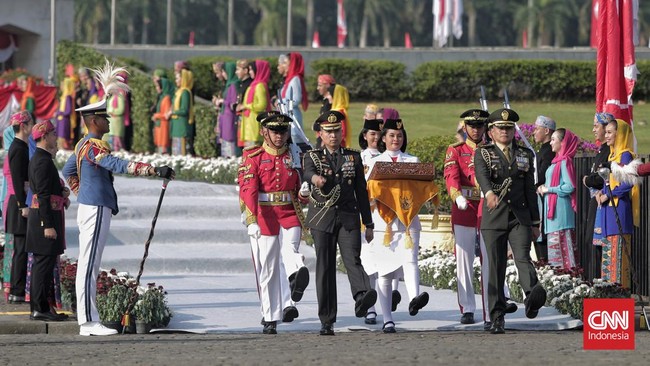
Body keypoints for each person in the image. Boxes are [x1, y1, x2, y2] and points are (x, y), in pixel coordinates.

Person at [62, 61, 175, 336]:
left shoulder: (82, 145)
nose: (109, 120)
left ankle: (88, 321)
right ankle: (88, 323)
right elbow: (116, 165)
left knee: (89, 264)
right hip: (95, 207)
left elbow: (67, 171)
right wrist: (152, 169)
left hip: (92, 203)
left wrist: (81, 190)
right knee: (89, 266)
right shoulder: (92, 147)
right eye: (104, 117)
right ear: (93, 121)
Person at [303, 111, 377, 336]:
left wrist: (369, 222)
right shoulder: (312, 156)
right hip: (321, 218)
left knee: (353, 258)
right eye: (328, 132)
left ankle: (363, 297)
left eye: (336, 131)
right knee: (325, 268)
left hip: (348, 217)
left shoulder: (353, 157)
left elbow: (361, 193)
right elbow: (308, 173)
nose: (333, 135)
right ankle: (327, 320)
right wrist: (316, 179)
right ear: (320, 134)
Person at [474, 108, 547, 334]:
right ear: (491, 131)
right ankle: (497, 316)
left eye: (508, 128)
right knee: (496, 267)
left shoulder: (525, 154)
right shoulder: (483, 153)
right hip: (494, 217)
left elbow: (529, 190)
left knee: (523, 257)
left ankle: (532, 295)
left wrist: (535, 222)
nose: (504, 131)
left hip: (520, 216)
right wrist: (488, 193)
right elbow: (482, 176)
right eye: (500, 128)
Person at [238, 112, 310, 334]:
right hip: (265, 213)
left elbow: (299, 188)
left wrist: (305, 193)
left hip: (289, 211)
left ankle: (296, 276)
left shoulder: (295, 154)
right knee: (268, 267)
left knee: (291, 248)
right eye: (275, 131)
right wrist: (251, 220)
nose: (280, 136)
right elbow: (248, 189)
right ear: (264, 132)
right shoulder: (254, 156)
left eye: (283, 131)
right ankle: (270, 317)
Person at [365, 118, 434, 333]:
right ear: (383, 138)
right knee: (385, 274)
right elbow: (368, 191)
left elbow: (423, 186)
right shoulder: (374, 162)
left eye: (400, 136)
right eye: (392, 135)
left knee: (410, 260)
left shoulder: (413, 160)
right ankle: (387, 319)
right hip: (383, 224)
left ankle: (414, 298)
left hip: (407, 221)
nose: (396, 139)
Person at [444, 109, 490, 326]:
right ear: (465, 127)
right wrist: (457, 196)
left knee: (489, 259)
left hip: (488, 207)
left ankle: (490, 307)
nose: (475, 129)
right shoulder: (456, 150)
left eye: (480, 126)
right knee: (464, 260)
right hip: (465, 207)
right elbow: (451, 176)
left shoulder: (491, 149)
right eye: (472, 126)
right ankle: (468, 307)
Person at [25, 120, 69, 321]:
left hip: (45, 218)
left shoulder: (43, 159)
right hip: (44, 222)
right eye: (52, 134)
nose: (54, 137)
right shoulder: (42, 161)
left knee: (42, 265)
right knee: (42, 266)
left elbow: (48, 189)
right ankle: (40, 308)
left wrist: (61, 191)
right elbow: (42, 195)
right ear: (43, 137)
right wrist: (48, 225)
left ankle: (41, 307)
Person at [594, 119, 639, 288]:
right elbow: (609, 183)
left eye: (610, 132)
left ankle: (620, 295)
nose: (607, 136)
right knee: (609, 256)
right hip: (609, 211)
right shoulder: (612, 155)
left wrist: (609, 195)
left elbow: (628, 182)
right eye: (606, 132)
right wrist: (602, 193)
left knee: (618, 258)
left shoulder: (625, 155)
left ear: (620, 134)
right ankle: (609, 294)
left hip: (618, 210)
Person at [537, 128, 579, 269]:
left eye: (554, 139)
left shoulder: (565, 162)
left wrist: (549, 189)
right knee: (556, 257)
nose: (551, 143)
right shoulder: (556, 162)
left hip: (561, 217)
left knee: (565, 255)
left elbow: (569, 187)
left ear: (563, 142)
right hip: (553, 217)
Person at [6, 111, 35, 304]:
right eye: (32, 123)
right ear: (24, 125)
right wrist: (22, 205)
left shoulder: (21, 146)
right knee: (20, 248)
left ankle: (19, 288)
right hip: (18, 203)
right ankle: (17, 290)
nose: (33, 127)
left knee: (23, 248)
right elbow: (17, 179)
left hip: (20, 201)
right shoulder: (18, 148)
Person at [582, 113, 614, 279]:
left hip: (604, 204)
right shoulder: (602, 150)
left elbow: (600, 177)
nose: (594, 129)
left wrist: (588, 180)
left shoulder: (609, 151)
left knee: (599, 246)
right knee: (591, 243)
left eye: (597, 126)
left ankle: (599, 284)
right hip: (595, 202)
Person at [532, 116, 556, 262]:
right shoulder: (543, 150)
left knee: (543, 240)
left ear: (546, 130)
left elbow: (540, 176)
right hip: (539, 198)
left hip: (544, 200)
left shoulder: (548, 152)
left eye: (537, 129)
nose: (534, 132)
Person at [237, 60, 271, 147]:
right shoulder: (254, 85)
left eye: (252, 69)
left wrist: (246, 106)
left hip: (254, 124)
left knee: (253, 150)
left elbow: (262, 105)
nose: (250, 72)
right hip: (249, 122)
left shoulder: (259, 86)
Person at [316, 75, 351, 147]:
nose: (328, 97)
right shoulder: (327, 104)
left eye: (330, 94)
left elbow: (343, 132)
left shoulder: (339, 111)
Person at [278, 53, 309, 130]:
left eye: (285, 63)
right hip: (286, 117)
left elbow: (296, 99)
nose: (283, 65)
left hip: (293, 119)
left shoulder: (295, 79)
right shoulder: (289, 80)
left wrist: (279, 101)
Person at [167, 69, 193, 155]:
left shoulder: (185, 92)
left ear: (183, 79)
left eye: (178, 78)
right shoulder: (178, 92)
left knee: (182, 154)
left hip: (182, 127)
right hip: (176, 127)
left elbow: (184, 110)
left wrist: (172, 112)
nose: (176, 80)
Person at [217, 62, 239, 158]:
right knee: (224, 143)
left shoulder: (233, 85)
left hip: (229, 118)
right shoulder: (228, 85)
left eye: (224, 71)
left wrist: (223, 101)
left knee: (229, 143)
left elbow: (233, 103)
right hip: (225, 117)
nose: (223, 74)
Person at [105, 71, 130, 152]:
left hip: (117, 121)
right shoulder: (114, 95)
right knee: (112, 138)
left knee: (117, 139)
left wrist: (112, 111)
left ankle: (118, 152)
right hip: (112, 121)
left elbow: (121, 109)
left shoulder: (121, 95)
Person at [152, 75, 174, 154]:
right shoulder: (162, 98)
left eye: (158, 86)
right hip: (160, 126)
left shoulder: (166, 99)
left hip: (163, 126)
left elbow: (166, 115)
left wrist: (156, 116)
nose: (157, 88)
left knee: (163, 148)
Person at [54, 77, 77, 150]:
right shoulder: (64, 97)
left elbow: (68, 111)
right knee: (59, 139)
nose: (61, 86)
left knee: (63, 140)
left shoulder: (68, 97)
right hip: (61, 120)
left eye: (63, 85)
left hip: (64, 121)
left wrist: (59, 113)